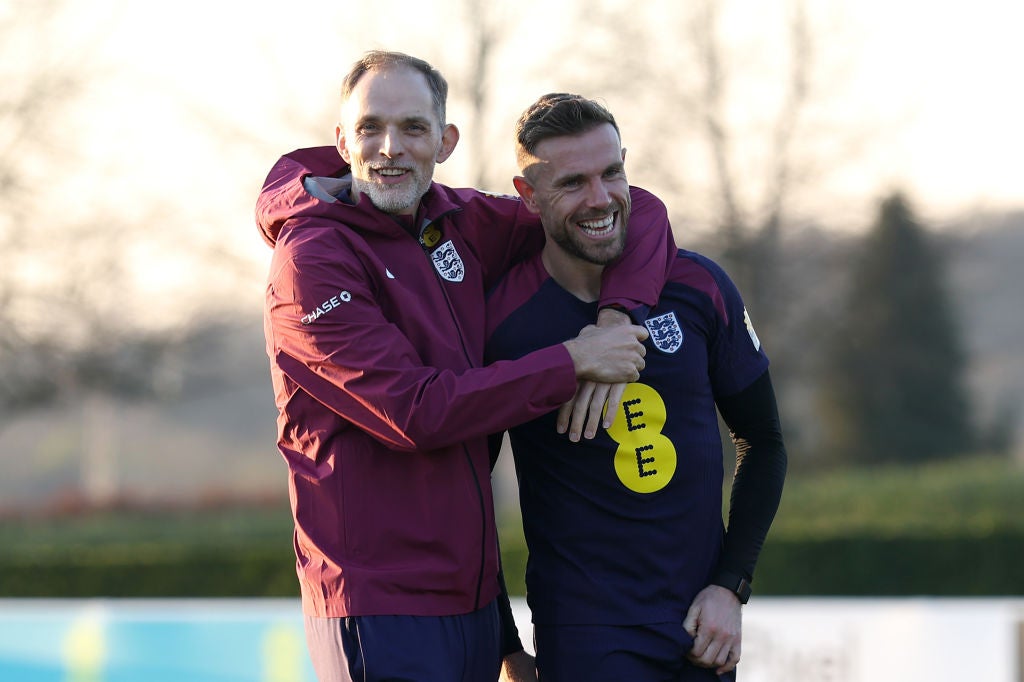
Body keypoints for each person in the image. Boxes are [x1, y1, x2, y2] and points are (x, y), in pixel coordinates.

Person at [256, 51, 680, 681]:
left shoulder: (457, 221)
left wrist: (616, 319)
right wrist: (573, 361)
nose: (390, 148)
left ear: (445, 141)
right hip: (379, 604)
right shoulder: (312, 259)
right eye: (370, 128)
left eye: (414, 128)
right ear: (342, 139)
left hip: (473, 605)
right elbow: (414, 411)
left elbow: (631, 209)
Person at [486, 94, 788, 681]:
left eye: (612, 173)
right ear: (528, 195)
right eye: (573, 183)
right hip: (584, 632)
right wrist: (504, 644)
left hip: (701, 629)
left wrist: (731, 586)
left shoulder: (699, 285)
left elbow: (764, 441)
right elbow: (463, 493)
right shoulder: (502, 321)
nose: (600, 199)